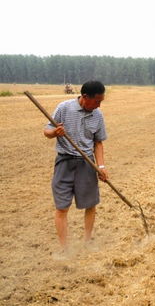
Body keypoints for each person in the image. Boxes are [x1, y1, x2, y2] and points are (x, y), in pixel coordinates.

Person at [43, 80, 108, 253]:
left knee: (90, 204)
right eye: (97, 101)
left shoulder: (98, 115)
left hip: (87, 164)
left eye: (101, 101)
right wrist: (55, 132)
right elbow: (47, 131)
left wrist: (100, 166)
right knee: (62, 207)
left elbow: (98, 143)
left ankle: (87, 242)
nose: (99, 105)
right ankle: (65, 249)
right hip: (64, 162)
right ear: (85, 97)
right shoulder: (64, 108)